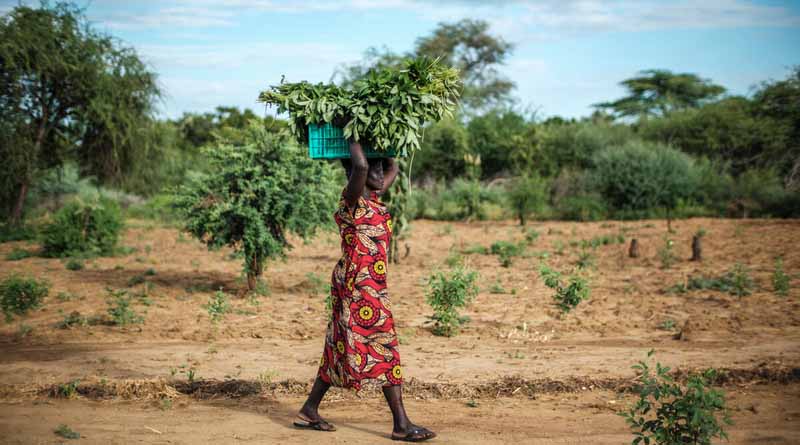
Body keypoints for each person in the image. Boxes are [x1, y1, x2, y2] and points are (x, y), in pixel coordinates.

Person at [294, 142, 436, 442]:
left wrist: (384, 142)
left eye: (380, 169)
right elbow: (359, 166)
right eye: (374, 170)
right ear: (355, 175)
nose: (380, 174)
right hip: (358, 287)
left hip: (368, 285)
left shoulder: (374, 199)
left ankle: (309, 409)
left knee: (338, 346)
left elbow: (391, 167)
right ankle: (401, 424)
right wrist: (353, 134)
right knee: (384, 344)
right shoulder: (351, 199)